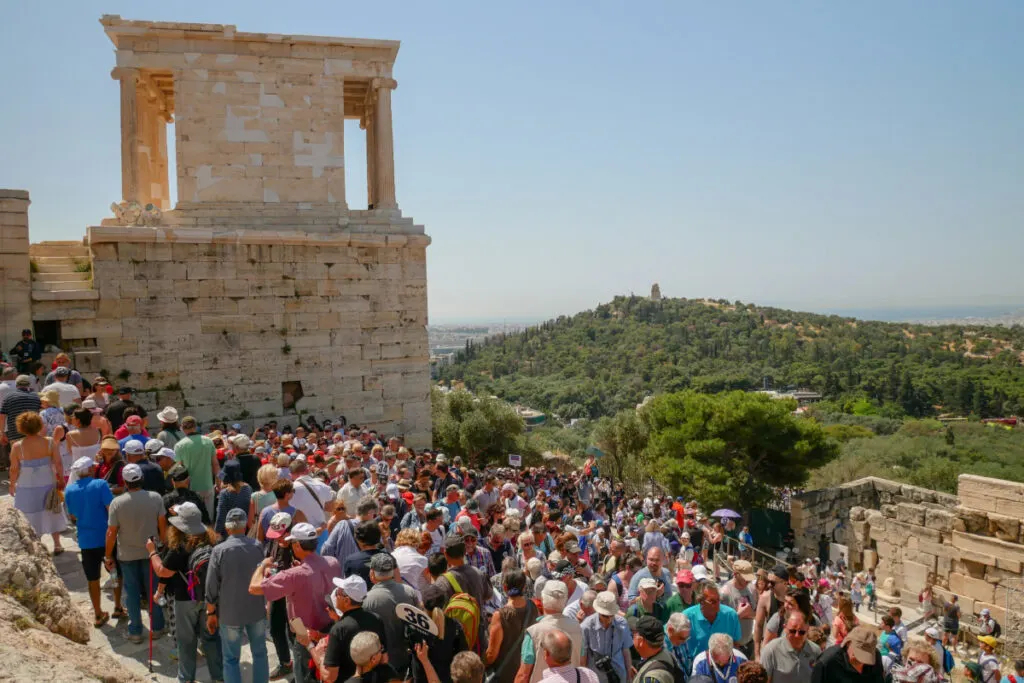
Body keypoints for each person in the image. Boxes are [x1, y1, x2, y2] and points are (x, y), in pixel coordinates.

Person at [251, 522, 341, 683]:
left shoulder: (293, 575)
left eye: (292, 543)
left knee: (304, 676)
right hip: (330, 632)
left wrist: (261, 565)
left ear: (298, 545)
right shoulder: (333, 562)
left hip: (306, 637)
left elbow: (254, 588)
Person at [147, 501, 223, 683]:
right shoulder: (213, 540)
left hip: (185, 599)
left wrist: (152, 552)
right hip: (211, 598)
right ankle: (219, 678)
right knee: (211, 639)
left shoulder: (180, 546)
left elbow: (162, 571)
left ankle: (186, 679)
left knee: (187, 642)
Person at [206, 507, 269, 683]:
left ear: (227, 528)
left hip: (229, 613)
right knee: (260, 653)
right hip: (255, 610)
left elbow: (211, 586)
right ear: (245, 526)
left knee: (231, 659)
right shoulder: (257, 546)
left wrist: (210, 612)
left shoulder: (219, 551)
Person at [105, 463, 166, 643]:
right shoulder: (155, 498)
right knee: (153, 590)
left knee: (131, 593)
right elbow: (162, 525)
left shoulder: (117, 503)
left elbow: (111, 532)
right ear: (142, 479)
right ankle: (157, 628)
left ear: (124, 481)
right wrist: (163, 545)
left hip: (127, 555)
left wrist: (108, 555)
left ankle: (135, 632)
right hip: (151, 553)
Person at [64, 455, 117, 626]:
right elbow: (111, 509)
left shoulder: (69, 490)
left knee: (92, 578)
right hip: (105, 537)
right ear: (91, 470)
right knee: (115, 572)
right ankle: (118, 607)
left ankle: (98, 613)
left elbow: (72, 516)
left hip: (86, 540)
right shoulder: (100, 484)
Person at [10, 410, 69, 553]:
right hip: (47, 483)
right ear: (39, 425)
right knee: (52, 510)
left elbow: (14, 469)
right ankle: (57, 544)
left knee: (29, 515)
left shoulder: (18, 446)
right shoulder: (49, 442)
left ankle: (37, 545)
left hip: (26, 485)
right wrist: (61, 479)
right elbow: (58, 463)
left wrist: (12, 484)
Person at [315, 575, 386, 683]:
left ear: (347, 601)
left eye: (337, 594)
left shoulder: (339, 629)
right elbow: (384, 659)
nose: (335, 596)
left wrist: (317, 653)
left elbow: (330, 677)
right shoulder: (376, 619)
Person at [363, 552, 419, 677]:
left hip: (380, 665)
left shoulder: (367, 600)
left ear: (372, 574)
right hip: (407, 661)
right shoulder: (409, 592)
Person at [517, 582, 584, 683]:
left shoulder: (534, 632)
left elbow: (523, 675)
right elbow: (582, 664)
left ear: (543, 599)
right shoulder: (577, 628)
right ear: (565, 601)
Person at [487, 569, 539, 683]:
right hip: (526, 673)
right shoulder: (533, 607)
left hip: (504, 676)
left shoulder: (500, 615)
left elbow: (491, 654)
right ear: (524, 587)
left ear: (505, 587)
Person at [415, 584, 471, 683]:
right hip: (446, 679)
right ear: (445, 605)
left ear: (422, 604)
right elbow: (462, 654)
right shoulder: (455, 626)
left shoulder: (415, 627)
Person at [581, 590, 632, 683]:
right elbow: (583, 656)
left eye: (611, 615)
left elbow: (626, 651)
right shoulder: (586, 626)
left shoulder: (622, 624)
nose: (608, 619)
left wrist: (629, 677)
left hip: (618, 675)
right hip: (596, 678)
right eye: (605, 615)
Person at [173, 416, 219, 517]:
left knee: (192, 518)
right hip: (207, 485)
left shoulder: (179, 445)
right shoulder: (208, 441)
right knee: (209, 516)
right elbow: (215, 464)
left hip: (190, 487)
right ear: (195, 426)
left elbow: (178, 468)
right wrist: (219, 483)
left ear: (182, 428)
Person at [759, 610, 820, 683]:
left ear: (807, 629)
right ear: (785, 628)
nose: (797, 636)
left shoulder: (816, 651)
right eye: (792, 631)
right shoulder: (771, 651)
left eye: (801, 632)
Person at [684, 580, 742, 655]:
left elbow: (736, 644)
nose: (717, 604)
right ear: (701, 601)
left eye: (718, 600)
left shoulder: (730, 615)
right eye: (712, 601)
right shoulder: (687, 617)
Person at [811, 625, 885, 683]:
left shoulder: (875, 656)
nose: (861, 663)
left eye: (866, 659)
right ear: (848, 643)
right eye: (857, 656)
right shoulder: (826, 663)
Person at [631, 614, 685, 683]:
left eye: (633, 635)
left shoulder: (651, 679)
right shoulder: (666, 653)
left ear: (640, 641)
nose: (632, 639)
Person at [720, 559, 757, 657]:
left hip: (749, 643)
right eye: (745, 577)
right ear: (735, 574)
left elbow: (756, 614)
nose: (748, 580)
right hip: (733, 648)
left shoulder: (751, 588)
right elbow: (721, 624)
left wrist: (749, 613)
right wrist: (739, 615)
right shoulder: (725, 593)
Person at [754, 564, 790, 660]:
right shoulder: (765, 598)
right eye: (768, 581)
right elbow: (758, 626)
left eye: (772, 582)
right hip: (770, 650)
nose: (769, 585)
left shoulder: (794, 598)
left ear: (785, 583)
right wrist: (757, 655)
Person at [215, 459, 253, 536]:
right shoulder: (248, 488)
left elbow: (221, 516)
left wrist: (216, 533)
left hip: (229, 532)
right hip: (244, 530)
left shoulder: (224, 494)